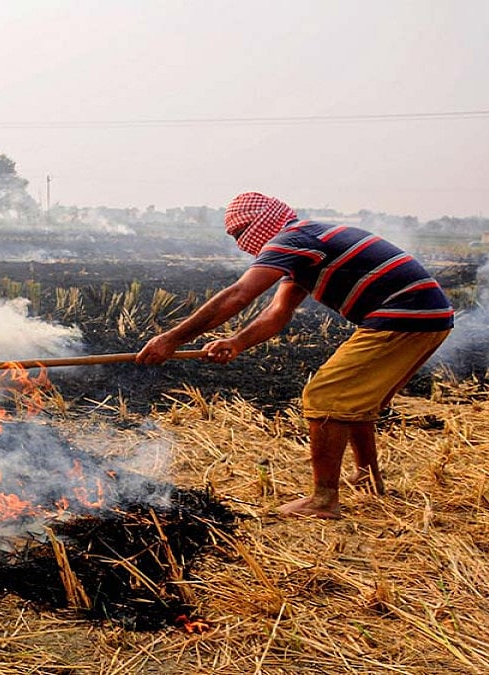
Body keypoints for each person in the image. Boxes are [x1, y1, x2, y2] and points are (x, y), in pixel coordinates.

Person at [135, 192, 453, 519]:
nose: (242, 243)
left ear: (263, 221)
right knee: (357, 400)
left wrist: (172, 338)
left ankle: (323, 500)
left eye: (241, 232)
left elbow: (239, 294)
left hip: (405, 313)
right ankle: (369, 480)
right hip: (428, 315)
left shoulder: (292, 237)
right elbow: (278, 312)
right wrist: (238, 342)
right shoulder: (305, 245)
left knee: (325, 396)